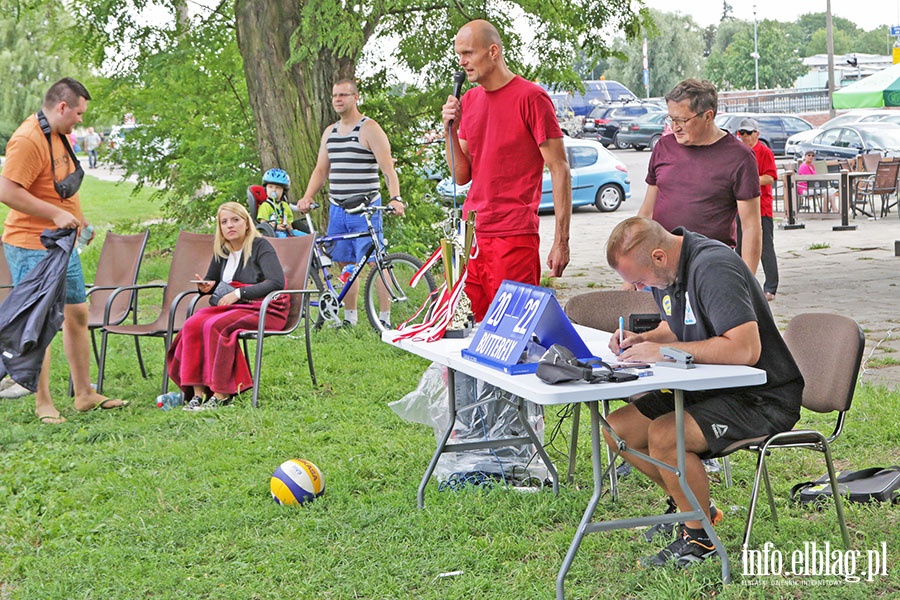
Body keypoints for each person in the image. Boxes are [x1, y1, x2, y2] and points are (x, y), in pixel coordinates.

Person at [606, 217, 803, 568]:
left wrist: (663, 352)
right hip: (714, 387)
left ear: (658, 256)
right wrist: (646, 340)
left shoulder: (714, 269)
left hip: (761, 396)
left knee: (665, 435)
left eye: (638, 280)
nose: (635, 288)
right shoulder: (669, 269)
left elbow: (745, 350)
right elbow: (677, 324)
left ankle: (699, 539)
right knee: (617, 428)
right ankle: (693, 509)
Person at [0, 77, 127, 424]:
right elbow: (7, 190)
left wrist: (79, 220)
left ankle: (84, 393)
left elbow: (63, 189)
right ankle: (44, 403)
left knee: (78, 313)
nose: (81, 120)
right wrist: (54, 214)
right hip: (30, 244)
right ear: (62, 107)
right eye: (79, 113)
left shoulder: (59, 136)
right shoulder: (28, 139)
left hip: (62, 244)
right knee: (39, 325)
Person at [441, 19, 571, 322]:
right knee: (467, 328)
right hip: (472, 236)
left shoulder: (531, 97)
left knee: (512, 332)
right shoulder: (470, 100)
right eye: (459, 55)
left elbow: (560, 167)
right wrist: (450, 129)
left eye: (468, 53)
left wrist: (561, 240)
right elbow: (461, 175)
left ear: (493, 51)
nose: (462, 62)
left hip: (513, 236)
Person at [298, 78, 404, 328]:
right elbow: (321, 169)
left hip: (365, 208)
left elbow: (387, 169)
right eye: (335, 95)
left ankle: (385, 319)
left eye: (343, 95)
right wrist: (308, 196)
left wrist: (395, 198)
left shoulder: (370, 129)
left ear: (356, 97)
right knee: (345, 263)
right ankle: (349, 317)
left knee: (378, 261)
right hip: (338, 208)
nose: (338, 99)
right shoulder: (330, 132)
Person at [166, 202, 286, 411]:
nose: (230, 225)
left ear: (246, 223)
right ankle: (199, 393)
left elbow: (276, 283)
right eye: (224, 222)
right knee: (193, 324)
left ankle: (222, 393)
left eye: (235, 220)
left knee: (213, 325)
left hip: (264, 307)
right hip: (233, 307)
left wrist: (239, 293)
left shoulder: (260, 246)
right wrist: (206, 287)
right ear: (220, 227)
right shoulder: (222, 250)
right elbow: (214, 283)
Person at [638, 78, 762, 276]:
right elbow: (646, 212)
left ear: (708, 116)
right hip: (659, 268)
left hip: (711, 268)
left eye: (682, 120)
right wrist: (635, 273)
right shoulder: (663, 147)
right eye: (671, 119)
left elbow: (751, 227)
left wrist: (747, 280)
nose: (675, 127)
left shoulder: (740, 157)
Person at [735, 118, 779, 302]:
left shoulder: (764, 152)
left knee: (765, 248)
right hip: (740, 208)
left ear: (757, 134)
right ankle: (739, 282)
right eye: (742, 133)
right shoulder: (737, 153)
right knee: (738, 246)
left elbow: (771, 177)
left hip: (762, 208)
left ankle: (770, 287)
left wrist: (751, 179)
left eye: (748, 133)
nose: (745, 136)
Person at [257, 168, 305, 237]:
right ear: (265, 189)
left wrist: (290, 228)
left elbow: (289, 221)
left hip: (286, 230)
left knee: (305, 236)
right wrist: (276, 227)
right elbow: (263, 223)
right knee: (283, 237)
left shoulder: (285, 205)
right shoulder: (265, 206)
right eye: (270, 187)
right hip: (273, 233)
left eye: (278, 187)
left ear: (283, 191)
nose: (274, 190)